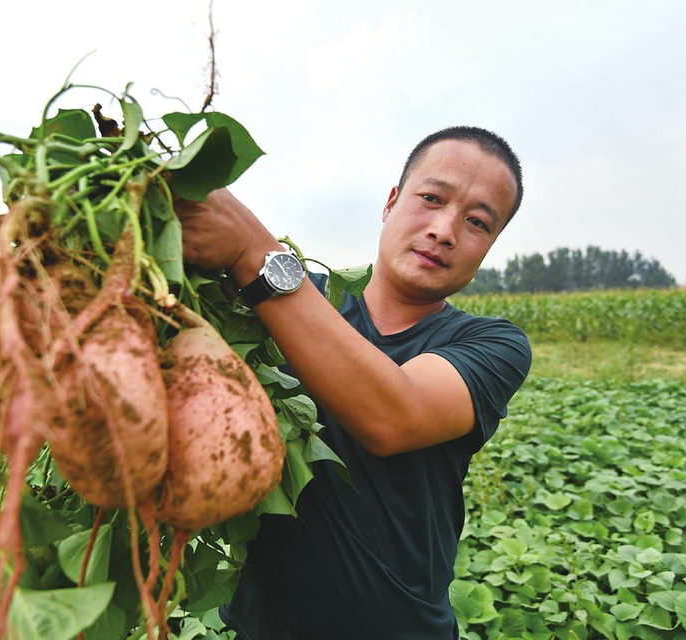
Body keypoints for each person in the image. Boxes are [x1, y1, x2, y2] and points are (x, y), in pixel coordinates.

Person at [175, 127, 532, 640]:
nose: (444, 230)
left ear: (490, 244)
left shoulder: (492, 344)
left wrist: (254, 249)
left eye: (476, 222)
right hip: (260, 625)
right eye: (431, 199)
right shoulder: (292, 299)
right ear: (391, 202)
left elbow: (392, 415)